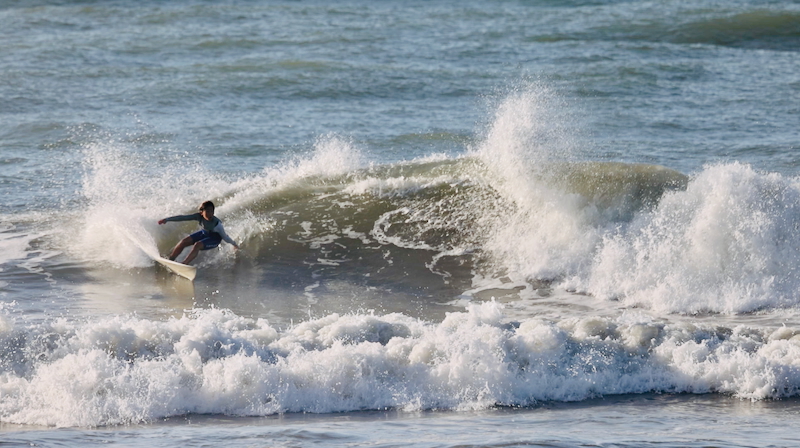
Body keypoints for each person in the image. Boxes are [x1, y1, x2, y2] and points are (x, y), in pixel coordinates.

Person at [158, 201, 239, 265]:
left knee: (197, 245)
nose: (210, 214)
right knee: (184, 242)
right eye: (207, 211)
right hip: (204, 233)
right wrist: (167, 220)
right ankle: (171, 259)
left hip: (215, 239)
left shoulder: (217, 224)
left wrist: (234, 244)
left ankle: (184, 264)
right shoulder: (198, 216)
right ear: (201, 212)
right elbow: (183, 217)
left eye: (212, 211)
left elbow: (225, 237)